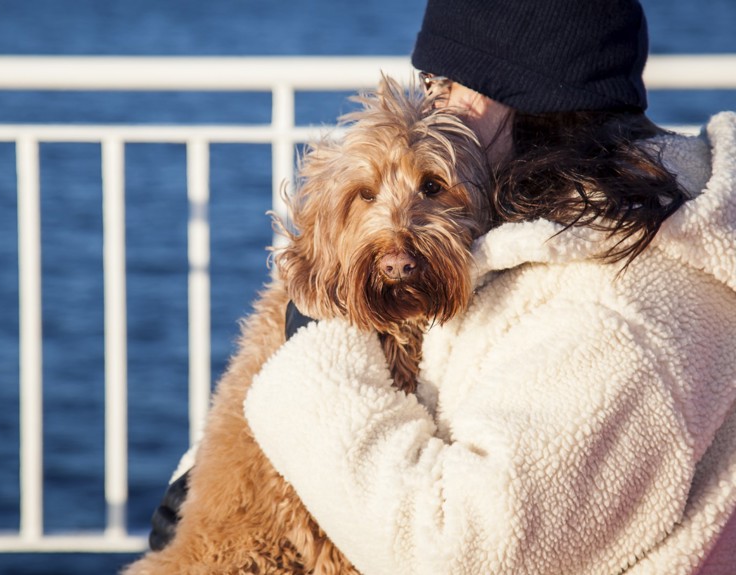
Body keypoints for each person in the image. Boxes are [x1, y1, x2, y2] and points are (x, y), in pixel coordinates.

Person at [152, 0, 736, 572]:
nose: (434, 110)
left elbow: (455, 552)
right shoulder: (550, 223)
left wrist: (314, 342)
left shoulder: (619, 315)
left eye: (452, 86)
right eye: (432, 84)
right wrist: (208, 472)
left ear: (539, 96)